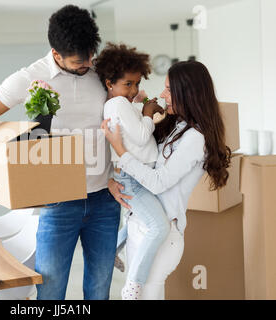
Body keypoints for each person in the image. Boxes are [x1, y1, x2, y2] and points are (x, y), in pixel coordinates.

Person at [0, 5, 127, 300]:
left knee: (100, 291)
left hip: (104, 200)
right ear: (56, 53)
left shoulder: (100, 72)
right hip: (58, 203)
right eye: (79, 61)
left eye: (91, 55)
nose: (88, 64)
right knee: (50, 293)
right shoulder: (29, 78)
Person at [102, 60, 232, 299]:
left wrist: (120, 151)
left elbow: (158, 182)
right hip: (140, 226)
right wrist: (114, 181)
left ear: (188, 93)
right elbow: (143, 152)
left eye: (169, 89)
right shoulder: (177, 126)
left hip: (162, 235)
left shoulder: (195, 138)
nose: (163, 95)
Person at [94, 43, 169, 300]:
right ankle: (133, 286)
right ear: (109, 83)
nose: (134, 90)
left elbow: (132, 127)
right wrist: (148, 113)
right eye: (128, 84)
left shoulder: (117, 104)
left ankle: (114, 247)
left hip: (138, 175)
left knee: (143, 218)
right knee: (158, 226)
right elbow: (139, 136)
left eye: (137, 83)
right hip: (134, 178)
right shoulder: (117, 104)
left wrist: (141, 106)